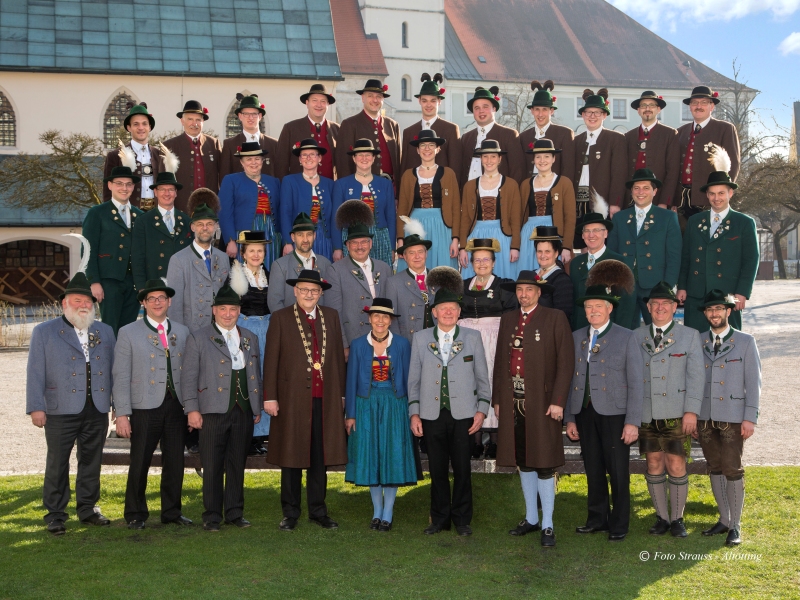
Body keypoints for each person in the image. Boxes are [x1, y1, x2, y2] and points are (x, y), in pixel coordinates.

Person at [26, 249, 116, 536]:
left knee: (91, 460)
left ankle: (88, 508)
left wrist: (116, 405)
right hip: (59, 408)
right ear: (65, 303)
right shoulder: (45, 331)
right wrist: (36, 406)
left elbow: (114, 370)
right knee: (57, 462)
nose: (83, 305)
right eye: (77, 300)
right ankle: (55, 513)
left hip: (97, 408)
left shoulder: (105, 331)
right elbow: (35, 372)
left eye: (87, 301)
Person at [493, 270, 574, 547]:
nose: (524, 295)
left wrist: (558, 401)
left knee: (544, 462)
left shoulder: (555, 318)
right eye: (520, 290)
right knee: (523, 460)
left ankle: (548, 524)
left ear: (539, 292)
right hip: (513, 400)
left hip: (543, 404)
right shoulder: (507, 319)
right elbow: (499, 364)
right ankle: (530, 518)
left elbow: (566, 364)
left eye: (529, 290)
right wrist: (498, 400)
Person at [264, 270, 347, 531]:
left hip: (324, 398)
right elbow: (271, 360)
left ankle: (318, 510)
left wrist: (341, 394)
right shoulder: (280, 318)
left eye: (314, 291)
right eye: (304, 290)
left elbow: (336, 359)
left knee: (319, 457)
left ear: (320, 293)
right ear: (295, 291)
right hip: (291, 399)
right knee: (291, 454)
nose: (309, 294)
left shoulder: (331, 317)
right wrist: (270, 397)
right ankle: (290, 512)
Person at [407, 281, 491, 536]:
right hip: (432, 415)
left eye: (452, 308)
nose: (447, 312)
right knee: (438, 468)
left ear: (458, 311)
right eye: (442, 308)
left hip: (464, 414)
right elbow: (414, 380)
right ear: (434, 312)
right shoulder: (421, 339)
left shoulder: (472, 338)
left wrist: (482, 410)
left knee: (463, 468)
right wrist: (414, 412)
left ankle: (462, 519)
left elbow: (482, 378)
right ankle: (439, 518)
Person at [564, 285, 643, 542]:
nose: (593, 310)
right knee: (593, 468)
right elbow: (570, 380)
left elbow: (636, 382)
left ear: (609, 308)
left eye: (599, 306)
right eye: (589, 307)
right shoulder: (577, 337)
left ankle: (619, 524)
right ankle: (597, 519)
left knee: (618, 470)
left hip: (615, 414)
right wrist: (570, 417)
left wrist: (632, 421)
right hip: (585, 411)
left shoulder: (627, 336)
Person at [112, 279, 192, 530]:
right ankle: (135, 512)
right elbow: (121, 375)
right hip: (144, 407)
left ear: (169, 302)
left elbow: (189, 374)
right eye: (152, 299)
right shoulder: (128, 332)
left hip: (175, 405)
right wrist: (122, 413)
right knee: (140, 461)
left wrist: (190, 407)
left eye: (162, 298)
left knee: (175, 462)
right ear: (144, 303)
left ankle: (172, 511)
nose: (158, 302)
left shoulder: (182, 330)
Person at [182, 285, 262, 531]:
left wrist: (256, 407)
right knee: (212, 464)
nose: (228, 314)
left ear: (239, 311)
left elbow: (255, 374)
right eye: (223, 309)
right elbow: (188, 377)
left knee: (238, 462)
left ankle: (235, 513)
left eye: (233, 309)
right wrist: (192, 410)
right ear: (214, 310)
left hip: (243, 409)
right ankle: (212, 515)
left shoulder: (250, 337)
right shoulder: (198, 337)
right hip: (211, 410)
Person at [632, 282, 704, 538]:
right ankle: (661, 517)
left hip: (676, 412)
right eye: (655, 304)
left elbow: (697, 377)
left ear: (675, 307)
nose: (660, 308)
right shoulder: (637, 336)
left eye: (666, 304)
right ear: (649, 308)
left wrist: (692, 411)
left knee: (675, 464)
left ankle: (677, 519)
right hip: (647, 412)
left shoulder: (689, 336)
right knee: (653, 463)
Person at [345, 299, 420, 531]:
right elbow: (350, 381)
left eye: (385, 317)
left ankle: (388, 511)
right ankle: (377, 509)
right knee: (371, 456)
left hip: (394, 404)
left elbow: (410, 380)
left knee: (391, 454)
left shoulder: (402, 345)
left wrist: (411, 412)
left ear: (390, 320)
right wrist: (351, 414)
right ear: (369, 319)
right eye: (376, 316)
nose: (380, 320)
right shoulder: (358, 345)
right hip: (365, 404)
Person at [695, 289, 761, 547]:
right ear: (705, 313)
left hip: (733, 417)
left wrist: (750, 417)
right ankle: (723, 519)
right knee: (714, 466)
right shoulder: (698, 341)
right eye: (710, 310)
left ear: (728, 311)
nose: (714, 314)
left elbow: (753, 383)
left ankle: (736, 525)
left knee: (732, 468)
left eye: (719, 309)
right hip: (705, 417)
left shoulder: (746, 341)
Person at [677, 146, 758, 332]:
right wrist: (682, 287)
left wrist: (742, 293)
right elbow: (686, 257)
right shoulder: (695, 221)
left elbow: (750, 261)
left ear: (731, 193)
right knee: (695, 343)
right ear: (707, 195)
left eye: (721, 193)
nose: (716, 198)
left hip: (727, 295)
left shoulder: (744, 223)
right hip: (697, 294)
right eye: (712, 193)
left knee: (729, 343)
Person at [457, 239, 518, 458]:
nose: (481, 263)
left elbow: (512, 317)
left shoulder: (504, 286)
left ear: (493, 263)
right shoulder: (462, 285)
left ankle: (494, 440)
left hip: (494, 342)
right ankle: (474, 438)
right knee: (470, 385)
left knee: (492, 383)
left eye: (486, 259)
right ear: (471, 263)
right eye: (477, 260)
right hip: (467, 342)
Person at [608, 168, 682, 328]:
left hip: (655, 287)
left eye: (646, 188)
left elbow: (674, 255)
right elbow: (611, 254)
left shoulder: (667, 217)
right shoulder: (620, 218)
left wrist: (667, 288)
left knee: (658, 332)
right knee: (624, 332)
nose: (641, 192)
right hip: (625, 286)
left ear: (655, 191)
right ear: (631, 191)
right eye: (636, 188)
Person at [83, 165, 142, 336]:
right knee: (109, 330)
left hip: (133, 283)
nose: (124, 188)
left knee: (129, 331)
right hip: (109, 282)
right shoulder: (97, 213)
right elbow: (88, 249)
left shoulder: (140, 215)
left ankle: (125, 363)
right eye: (119, 183)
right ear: (110, 185)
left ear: (133, 187)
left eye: (128, 184)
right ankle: (107, 363)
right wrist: (94, 281)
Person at [229, 231, 272, 456]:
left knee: (266, 380)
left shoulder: (270, 273)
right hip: (245, 331)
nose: (256, 255)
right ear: (243, 253)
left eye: (260, 251)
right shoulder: (235, 275)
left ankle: (263, 433)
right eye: (252, 251)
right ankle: (247, 433)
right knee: (248, 380)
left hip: (268, 330)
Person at [166, 189, 230, 333]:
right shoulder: (178, 260)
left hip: (220, 330)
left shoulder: (224, 258)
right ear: (192, 226)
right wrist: (180, 335)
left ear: (215, 227)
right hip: (192, 331)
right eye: (200, 224)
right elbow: (174, 306)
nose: (205, 228)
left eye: (209, 224)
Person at [396, 129, 461, 271]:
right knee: (416, 265)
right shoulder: (408, 175)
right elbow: (402, 209)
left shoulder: (448, 174)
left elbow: (456, 208)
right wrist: (400, 239)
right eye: (423, 145)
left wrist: (455, 239)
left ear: (438, 149)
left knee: (442, 270)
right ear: (417, 150)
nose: (427, 149)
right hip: (415, 227)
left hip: (442, 227)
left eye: (431, 145)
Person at [571, 89, 627, 248]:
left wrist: (615, 203)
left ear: (604, 115)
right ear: (583, 115)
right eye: (589, 112)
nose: (592, 116)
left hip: (602, 201)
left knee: (601, 242)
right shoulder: (576, 141)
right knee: (582, 242)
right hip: (579, 200)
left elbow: (619, 173)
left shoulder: (615, 139)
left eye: (597, 112)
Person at [458, 140, 521, 279]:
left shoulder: (511, 185)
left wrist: (515, 246)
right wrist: (462, 247)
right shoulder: (470, 186)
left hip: (502, 237)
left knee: (502, 276)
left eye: (493, 156)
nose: (489, 160)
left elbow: (515, 219)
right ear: (481, 159)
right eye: (485, 156)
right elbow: (465, 220)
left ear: (500, 159)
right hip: (476, 235)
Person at [676, 86, 741, 220]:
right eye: (694, 103)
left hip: (709, 200)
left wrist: (722, 195)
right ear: (690, 107)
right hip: (681, 201)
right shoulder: (680, 131)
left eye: (704, 102)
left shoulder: (725, 129)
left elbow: (733, 164)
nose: (698, 106)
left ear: (712, 106)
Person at [326, 221, 392, 352]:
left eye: (364, 242)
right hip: (353, 341)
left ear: (370, 244)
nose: (359, 247)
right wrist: (344, 344)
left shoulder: (384, 268)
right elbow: (334, 313)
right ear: (347, 245)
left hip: (382, 339)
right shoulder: (335, 270)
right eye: (354, 243)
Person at [131, 155, 192, 291]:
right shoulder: (144, 221)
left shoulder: (187, 220)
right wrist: (141, 287)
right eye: (162, 189)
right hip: (154, 285)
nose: (167, 193)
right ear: (155, 192)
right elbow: (137, 257)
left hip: (183, 284)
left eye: (170, 189)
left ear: (176, 193)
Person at [218, 141, 282, 269]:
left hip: (270, 234)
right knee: (244, 272)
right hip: (243, 236)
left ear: (262, 161)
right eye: (249, 159)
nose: (254, 162)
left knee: (270, 270)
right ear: (241, 162)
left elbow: (280, 211)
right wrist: (230, 241)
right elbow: (224, 213)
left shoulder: (274, 182)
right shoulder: (231, 180)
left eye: (257, 158)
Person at [332, 140, 396, 265]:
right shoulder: (342, 184)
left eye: (368, 155)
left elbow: (391, 217)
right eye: (360, 155)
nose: (364, 158)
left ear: (373, 158)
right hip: (352, 238)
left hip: (380, 238)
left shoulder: (385, 184)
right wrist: (337, 247)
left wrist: (392, 248)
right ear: (354, 159)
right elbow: (336, 218)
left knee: (380, 276)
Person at [569, 211, 635, 331]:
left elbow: (626, 304)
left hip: (610, 331)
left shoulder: (619, 262)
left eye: (596, 230)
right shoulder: (575, 263)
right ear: (582, 235)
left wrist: (621, 333)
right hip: (581, 331)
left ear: (605, 233)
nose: (591, 235)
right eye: (587, 231)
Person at [518, 139, 576, 270]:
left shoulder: (564, 183)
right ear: (534, 160)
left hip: (554, 234)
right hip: (529, 235)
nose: (542, 160)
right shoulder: (526, 184)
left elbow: (570, 218)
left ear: (553, 159)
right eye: (538, 157)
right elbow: (520, 215)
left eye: (546, 156)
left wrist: (566, 246)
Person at [279, 138, 335, 261]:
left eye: (312, 154)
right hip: (299, 238)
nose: (308, 158)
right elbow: (285, 213)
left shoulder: (330, 184)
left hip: (324, 238)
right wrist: (288, 242)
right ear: (299, 159)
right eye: (304, 155)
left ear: (319, 158)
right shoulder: (290, 181)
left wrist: (337, 247)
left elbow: (333, 218)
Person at [163, 100, 223, 214]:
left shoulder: (213, 144)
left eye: (198, 120)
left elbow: (222, 175)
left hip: (209, 208)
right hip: (181, 207)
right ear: (182, 121)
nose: (194, 124)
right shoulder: (170, 146)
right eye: (190, 119)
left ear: (203, 121)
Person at [336, 79, 401, 183]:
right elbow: (343, 163)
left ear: (383, 99)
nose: (374, 100)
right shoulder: (349, 124)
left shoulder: (393, 125)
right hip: (360, 187)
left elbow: (398, 162)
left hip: (390, 188)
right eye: (370, 96)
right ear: (363, 98)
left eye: (378, 97)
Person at [399, 74, 461, 180]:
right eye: (424, 101)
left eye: (433, 101)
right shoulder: (408, 132)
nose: (428, 105)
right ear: (419, 101)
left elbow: (456, 166)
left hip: (442, 190)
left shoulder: (451, 129)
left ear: (439, 102)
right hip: (414, 191)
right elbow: (404, 167)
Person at [268, 212, 333, 313]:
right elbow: (275, 303)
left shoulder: (325, 263)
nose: (305, 239)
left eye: (309, 234)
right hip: (291, 325)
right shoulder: (280, 265)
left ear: (314, 236)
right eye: (300, 235)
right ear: (293, 237)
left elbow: (331, 300)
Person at [459, 86, 526, 184]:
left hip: (499, 196)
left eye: (485, 107)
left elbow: (517, 172)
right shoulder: (466, 138)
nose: (481, 111)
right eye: (477, 108)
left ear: (494, 109)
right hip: (469, 196)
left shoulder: (509, 135)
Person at [624, 92, 679, 207]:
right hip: (632, 198)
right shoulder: (628, 136)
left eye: (652, 105)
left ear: (658, 109)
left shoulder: (670, 134)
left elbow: (672, 172)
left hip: (658, 198)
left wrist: (664, 201)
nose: (647, 109)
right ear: (638, 110)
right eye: (643, 105)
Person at [102, 102, 161, 209]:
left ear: (150, 127)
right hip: (128, 213)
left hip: (155, 214)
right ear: (129, 127)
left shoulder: (159, 155)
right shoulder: (115, 156)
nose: (140, 127)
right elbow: (107, 192)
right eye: (136, 124)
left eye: (144, 124)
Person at [275, 84, 339, 180]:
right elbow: (281, 164)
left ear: (328, 105)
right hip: (299, 190)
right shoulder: (290, 128)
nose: (319, 105)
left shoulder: (337, 129)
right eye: (314, 100)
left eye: (323, 101)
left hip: (330, 190)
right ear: (307, 103)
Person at [385, 222, 435, 341]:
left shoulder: (438, 278)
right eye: (411, 253)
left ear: (426, 254)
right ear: (405, 257)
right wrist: (400, 344)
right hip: (409, 341)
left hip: (436, 340)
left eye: (420, 252)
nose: (417, 256)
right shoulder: (393, 282)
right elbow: (392, 319)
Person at [518, 80, 575, 182]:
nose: (540, 114)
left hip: (555, 191)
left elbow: (568, 169)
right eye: (537, 109)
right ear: (532, 111)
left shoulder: (564, 134)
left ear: (551, 111)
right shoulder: (523, 137)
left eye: (544, 109)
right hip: (530, 191)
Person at [219, 94, 278, 180]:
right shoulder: (229, 144)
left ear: (260, 116)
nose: (250, 118)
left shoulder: (274, 144)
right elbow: (224, 176)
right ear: (240, 116)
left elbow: (279, 173)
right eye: (246, 114)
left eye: (254, 114)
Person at [530, 226, 573, 321]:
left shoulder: (562, 280)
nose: (542, 256)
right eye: (539, 251)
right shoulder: (531, 275)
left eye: (547, 251)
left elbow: (562, 315)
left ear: (556, 253)